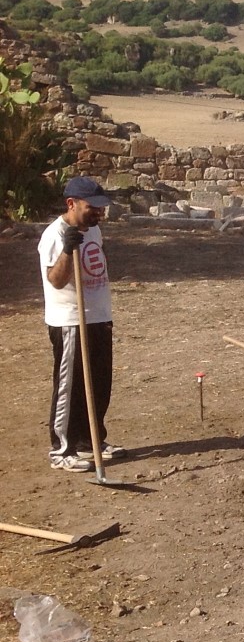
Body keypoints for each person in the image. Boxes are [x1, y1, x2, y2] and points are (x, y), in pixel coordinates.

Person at [38, 177, 125, 472]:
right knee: (70, 388)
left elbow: (99, 260)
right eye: (92, 208)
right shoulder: (55, 234)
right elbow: (56, 280)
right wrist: (67, 250)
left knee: (100, 384)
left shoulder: (94, 229)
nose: (98, 213)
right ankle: (62, 449)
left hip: (99, 316)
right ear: (71, 204)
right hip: (70, 321)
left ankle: (91, 441)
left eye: (101, 208)